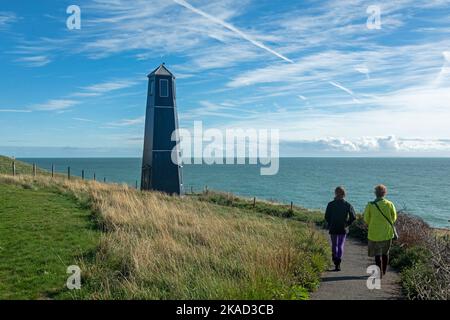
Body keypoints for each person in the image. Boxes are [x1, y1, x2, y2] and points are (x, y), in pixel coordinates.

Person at [363, 184, 397, 278]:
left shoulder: (370, 205)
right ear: (384, 193)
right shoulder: (389, 204)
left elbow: (366, 218)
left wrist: (373, 223)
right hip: (387, 233)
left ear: (375, 193)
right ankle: (384, 271)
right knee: (385, 253)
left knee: (377, 255)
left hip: (374, 233)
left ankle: (379, 272)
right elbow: (394, 218)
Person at [325, 186, 356, 271]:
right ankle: (338, 263)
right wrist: (347, 223)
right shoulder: (347, 204)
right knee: (340, 245)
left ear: (335, 193)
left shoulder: (330, 204)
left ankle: (335, 261)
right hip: (343, 228)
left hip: (333, 227)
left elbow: (326, 216)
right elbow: (353, 217)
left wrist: (330, 223)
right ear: (344, 194)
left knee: (334, 244)